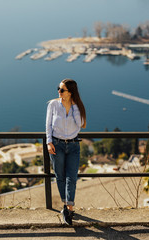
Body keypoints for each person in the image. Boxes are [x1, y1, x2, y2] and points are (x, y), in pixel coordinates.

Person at [45, 78, 87, 225]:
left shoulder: (78, 106)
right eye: (59, 88)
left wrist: (75, 106)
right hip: (57, 144)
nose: (59, 91)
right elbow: (48, 125)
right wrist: (49, 143)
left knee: (72, 177)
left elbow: (81, 124)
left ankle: (69, 208)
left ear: (71, 92)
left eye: (62, 90)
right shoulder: (53, 105)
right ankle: (67, 207)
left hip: (74, 145)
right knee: (60, 176)